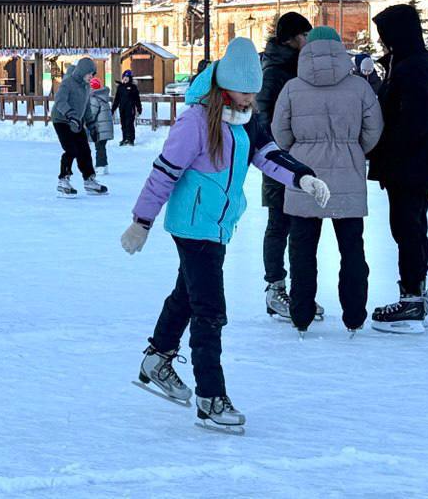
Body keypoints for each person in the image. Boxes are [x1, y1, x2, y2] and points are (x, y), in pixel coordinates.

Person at [121, 38, 328, 433]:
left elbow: (267, 154)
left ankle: (157, 357)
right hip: (192, 226)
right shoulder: (195, 122)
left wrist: (302, 177)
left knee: (188, 294)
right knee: (209, 309)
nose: (252, 98)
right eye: (245, 91)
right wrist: (141, 221)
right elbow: (164, 172)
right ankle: (209, 397)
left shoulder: (246, 118)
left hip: (218, 225)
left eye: (255, 91)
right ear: (225, 85)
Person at [272, 27, 384, 334]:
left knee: (302, 250)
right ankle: (354, 315)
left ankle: (301, 314)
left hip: (304, 177)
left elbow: (280, 133)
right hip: (348, 176)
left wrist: (300, 150)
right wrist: (353, 149)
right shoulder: (359, 88)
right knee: (352, 249)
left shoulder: (293, 88)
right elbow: (374, 130)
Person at [367, 4, 428, 333]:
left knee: (408, 228)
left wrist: (384, 149)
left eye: (385, 35)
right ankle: (414, 292)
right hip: (414, 165)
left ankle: (412, 298)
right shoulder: (410, 62)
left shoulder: (413, 67)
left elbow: (414, 120)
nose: (383, 42)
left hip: (411, 166)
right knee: (410, 228)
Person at [255, 10, 313, 322]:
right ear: (289, 39)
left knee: (296, 225)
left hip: (296, 157)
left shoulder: (294, 67)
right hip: (278, 159)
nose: (308, 40)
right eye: (304, 35)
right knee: (279, 223)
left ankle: (296, 292)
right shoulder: (276, 70)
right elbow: (264, 116)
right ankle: (275, 288)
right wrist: (280, 152)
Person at [51, 57, 106, 197]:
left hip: (77, 121)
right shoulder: (67, 83)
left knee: (84, 150)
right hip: (62, 120)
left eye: (93, 74)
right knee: (71, 149)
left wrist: (92, 124)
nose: (91, 77)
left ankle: (89, 180)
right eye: (90, 74)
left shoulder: (86, 87)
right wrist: (70, 115)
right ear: (82, 71)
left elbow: (86, 106)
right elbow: (59, 101)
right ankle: (63, 179)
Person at [87, 76, 114, 174]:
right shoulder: (103, 97)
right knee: (102, 147)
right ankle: (104, 165)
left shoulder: (94, 99)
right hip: (105, 128)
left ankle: (100, 166)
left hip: (99, 128)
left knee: (99, 148)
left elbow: (92, 114)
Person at [112, 69, 143, 146]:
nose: (125, 78)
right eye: (124, 77)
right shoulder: (120, 87)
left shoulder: (133, 87)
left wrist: (139, 108)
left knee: (129, 124)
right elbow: (117, 99)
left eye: (127, 77)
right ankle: (124, 138)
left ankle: (130, 139)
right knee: (123, 124)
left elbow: (137, 99)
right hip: (122, 108)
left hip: (130, 109)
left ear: (130, 78)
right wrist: (113, 109)